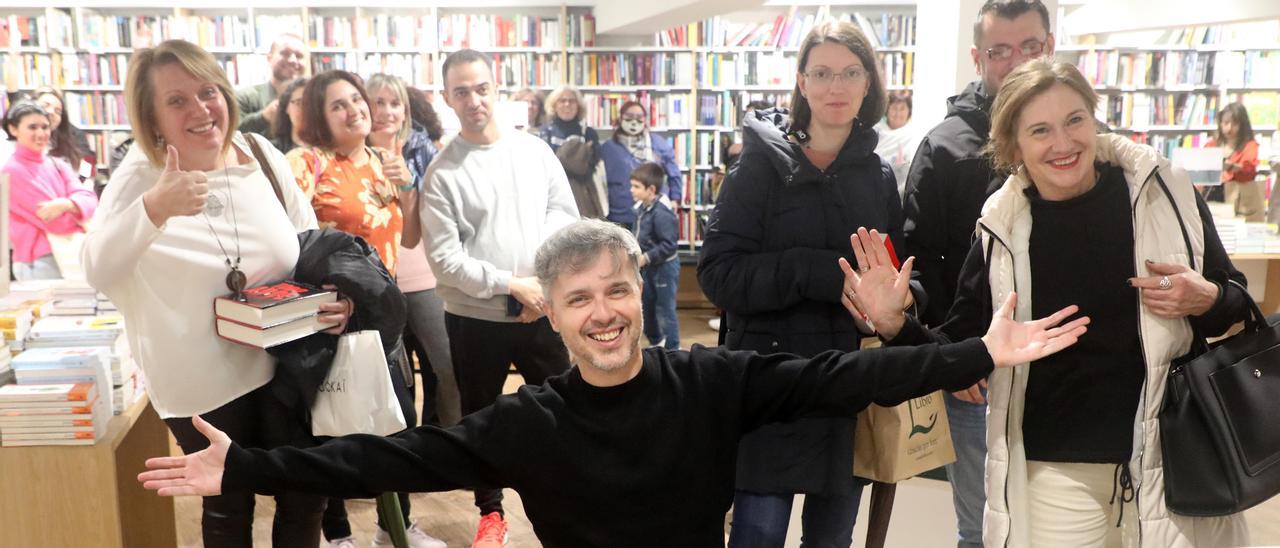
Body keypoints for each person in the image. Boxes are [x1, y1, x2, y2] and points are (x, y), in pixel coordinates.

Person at [138, 219, 1089, 547]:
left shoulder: (710, 380)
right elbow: (386, 454)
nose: (603, 313)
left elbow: (841, 376)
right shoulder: (525, 425)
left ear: (645, 296)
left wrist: (979, 353)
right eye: (579, 298)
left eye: (619, 291)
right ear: (549, 315)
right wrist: (247, 470)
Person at [846, 60, 1252, 547]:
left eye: (1075, 120)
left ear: (1094, 119)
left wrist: (1206, 298)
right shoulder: (1002, 226)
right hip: (1052, 472)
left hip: (1175, 458)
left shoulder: (1162, 192)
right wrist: (896, 326)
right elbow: (959, 357)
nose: (1063, 144)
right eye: (1041, 130)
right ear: (1014, 145)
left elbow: (1237, 302)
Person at [83, 39, 344, 547]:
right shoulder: (141, 173)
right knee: (227, 499)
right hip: (201, 377)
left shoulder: (261, 153)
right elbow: (97, 266)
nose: (201, 110)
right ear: (152, 116)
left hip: (286, 357)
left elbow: (310, 241)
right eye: (176, 100)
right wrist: (154, 208)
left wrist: (333, 298)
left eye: (208, 92)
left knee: (305, 488)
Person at [697, 20, 904, 547]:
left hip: (847, 386)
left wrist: (889, 305)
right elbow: (719, 274)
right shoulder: (758, 169)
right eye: (823, 73)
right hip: (768, 384)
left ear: (868, 83)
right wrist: (821, 274)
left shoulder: (877, 177)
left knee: (832, 539)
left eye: (850, 73)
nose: (836, 87)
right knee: (758, 535)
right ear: (802, 81)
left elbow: (899, 273)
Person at [901, 2, 1055, 544]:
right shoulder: (944, 147)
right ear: (977, 57)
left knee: (1062, 523)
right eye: (1000, 51)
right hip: (977, 375)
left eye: (1029, 47)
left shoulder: (1079, 139)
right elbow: (920, 262)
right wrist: (953, 359)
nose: (1015, 63)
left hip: (1065, 370)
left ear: (1049, 46)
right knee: (984, 527)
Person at [419, 48, 579, 547]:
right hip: (476, 319)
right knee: (479, 417)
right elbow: (445, 260)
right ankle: (491, 512)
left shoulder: (534, 152)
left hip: (543, 310)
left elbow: (563, 214)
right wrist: (513, 284)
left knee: (565, 406)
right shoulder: (442, 173)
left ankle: (571, 498)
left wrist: (542, 283)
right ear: (447, 98)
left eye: (481, 88)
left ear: (497, 87)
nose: (474, 100)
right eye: (461, 92)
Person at [283, 70, 428, 548]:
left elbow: (406, 240)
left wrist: (407, 187)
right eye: (337, 106)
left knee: (394, 421)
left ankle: (396, 526)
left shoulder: (383, 162)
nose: (354, 111)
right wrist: (330, 300)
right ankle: (338, 533)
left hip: (380, 314)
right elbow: (288, 246)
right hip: (330, 317)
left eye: (356, 99)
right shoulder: (308, 163)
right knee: (333, 428)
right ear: (319, 118)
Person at [365, 73, 461, 430]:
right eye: (378, 102)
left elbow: (421, 224)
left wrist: (407, 183)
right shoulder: (350, 153)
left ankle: (449, 442)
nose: (387, 112)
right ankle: (402, 452)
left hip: (422, 272)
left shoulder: (423, 149)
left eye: (395, 104)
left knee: (447, 364)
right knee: (392, 377)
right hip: (373, 280)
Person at [3, 101, 98, 280]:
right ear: (13, 129)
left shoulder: (57, 163)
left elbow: (90, 199)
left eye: (45, 127)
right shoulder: (12, 170)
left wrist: (66, 203)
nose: (41, 133)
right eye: (32, 127)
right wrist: (77, 208)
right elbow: (56, 221)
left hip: (70, 252)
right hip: (39, 259)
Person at [599, 100, 684, 230]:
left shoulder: (657, 143)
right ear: (620, 118)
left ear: (645, 120)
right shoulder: (608, 148)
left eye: (639, 118)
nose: (634, 122)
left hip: (653, 211)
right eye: (629, 117)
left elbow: (674, 172)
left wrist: (675, 198)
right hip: (620, 214)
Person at [629, 162, 680, 350]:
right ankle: (657, 343)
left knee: (666, 311)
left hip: (664, 269)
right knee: (647, 307)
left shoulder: (662, 213)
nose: (631, 190)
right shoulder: (642, 208)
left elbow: (669, 244)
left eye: (636, 187)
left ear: (651, 189)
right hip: (648, 269)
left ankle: (673, 351)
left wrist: (646, 257)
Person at [539, 86, 605, 219]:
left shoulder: (588, 133)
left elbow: (591, 166)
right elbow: (543, 167)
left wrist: (563, 160)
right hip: (552, 195)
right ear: (554, 105)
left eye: (572, 101)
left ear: (579, 105)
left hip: (583, 196)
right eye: (562, 101)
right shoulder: (545, 132)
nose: (567, 104)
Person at [237, 33, 308, 137]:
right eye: (285, 53)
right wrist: (264, 117)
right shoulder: (246, 97)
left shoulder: (316, 99)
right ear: (269, 58)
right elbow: (232, 135)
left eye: (299, 56)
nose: (293, 60)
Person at [1207, 103, 1261, 221]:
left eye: (1235, 123)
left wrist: (1229, 167)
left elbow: (1249, 171)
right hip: (1212, 196)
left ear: (1243, 125)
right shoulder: (1212, 144)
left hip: (1237, 199)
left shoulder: (1250, 146)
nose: (1229, 128)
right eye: (1225, 123)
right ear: (1220, 123)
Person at [874, 93, 922, 202]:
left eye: (902, 109)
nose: (898, 113)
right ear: (887, 109)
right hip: (877, 189)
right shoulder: (876, 132)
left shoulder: (914, 133)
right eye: (894, 108)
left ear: (909, 111)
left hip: (904, 193)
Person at [271, 77, 310, 154]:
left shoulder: (331, 150)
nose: (307, 110)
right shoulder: (272, 151)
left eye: (312, 103)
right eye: (299, 103)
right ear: (286, 107)